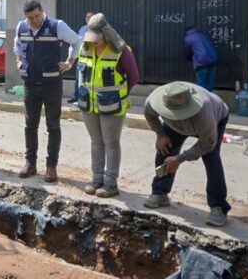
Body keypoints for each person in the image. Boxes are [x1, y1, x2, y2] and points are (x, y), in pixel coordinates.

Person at [143, 81, 231, 227]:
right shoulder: (154, 99)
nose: (176, 116)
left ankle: (219, 206)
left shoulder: (205, 113)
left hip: (214, 119)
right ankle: (160, 192)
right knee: (164, 149)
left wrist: (179, 159)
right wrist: (160, 134)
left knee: (211, 159)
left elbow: (206, 144)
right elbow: (149, 114)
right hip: (174, 127)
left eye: (178, 113)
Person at [14, 0, 82, 182]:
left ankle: (51, 167)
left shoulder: (57, 26)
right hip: (30, 84)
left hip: (52, 84)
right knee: (30, 125)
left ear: (42, 11)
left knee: (53, 126)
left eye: (37, 16)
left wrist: (69, 62)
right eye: (30, 18)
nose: (34, 20)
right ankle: (30, 163)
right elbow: (17, 44)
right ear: (26, 16)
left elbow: (77, 41)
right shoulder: (21, 27)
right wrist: (19, 60)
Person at [77, 13, 139, 198]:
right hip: (89, 104)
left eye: (97, 39)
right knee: (96, 143)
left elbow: (133, 77)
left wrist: (119, 94)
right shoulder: (85, 48)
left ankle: (111, 183)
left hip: (112, 105)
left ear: (106, 34)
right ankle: (96, 179)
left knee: (111, 143)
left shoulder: (122, 51)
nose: (94, 43)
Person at [69, 11, 95, 103]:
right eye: (87, 17)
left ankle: (87, 98)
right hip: (81, 57)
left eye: (90, 17)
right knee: (78, 77)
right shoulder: (82, 28)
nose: (88, 18)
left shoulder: (97, 29)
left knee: (88, 78)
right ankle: (76, 97)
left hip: (91, 58)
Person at [184, 27, 219, 92]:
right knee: (210, 81)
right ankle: (210, 95)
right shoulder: (203, 34)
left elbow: (189, 51)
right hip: (214, 59)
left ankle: (203, 96)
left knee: (202, 83)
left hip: (202, 62)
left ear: (186, 32)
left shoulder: (188, 38)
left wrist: (188, 58)